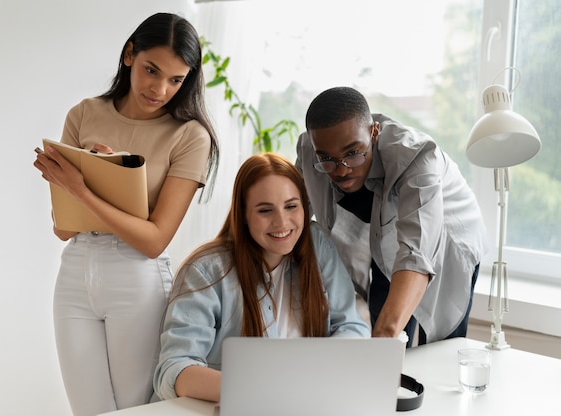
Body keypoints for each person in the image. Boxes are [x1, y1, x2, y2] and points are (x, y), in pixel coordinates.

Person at [33, 12, 219, 416]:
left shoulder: (190, 136)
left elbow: (154, 240)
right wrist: (91, 182)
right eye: (152, 70)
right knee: (88, 411)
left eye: (176, 80)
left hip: (137, 277)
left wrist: (83, 187)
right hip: (76, 271)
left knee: (135, 411)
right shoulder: (83, 114)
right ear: (129, 55)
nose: (160, 89)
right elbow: (63, 228)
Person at [153, 153, 370, 402]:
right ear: (243, 215)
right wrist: (262, 391)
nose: (282, 222)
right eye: (265, 210)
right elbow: (174, 370)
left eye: (291, 206)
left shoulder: (316, 244)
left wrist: (313, 375)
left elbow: (352, 326)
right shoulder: (205, 271)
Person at [296, 86, 487, 347]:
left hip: (447, 240)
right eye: (328, 159)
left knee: (439, 347)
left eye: (353, 153)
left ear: (374, 132)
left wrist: (385, 336)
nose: (341, 171)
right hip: (385, 241)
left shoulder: (418, 158)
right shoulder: (310, 149)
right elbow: (292, 213)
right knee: (385, 325)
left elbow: (416, 255)